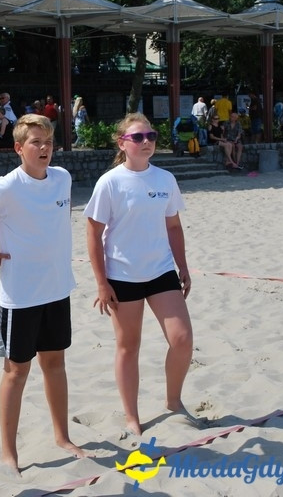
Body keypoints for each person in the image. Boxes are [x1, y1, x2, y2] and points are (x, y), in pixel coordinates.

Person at [0, 114, 85, 475]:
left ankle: (62, 436)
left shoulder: (63, 178)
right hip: (20, 296)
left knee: (55, 365)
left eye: (49, 142)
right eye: (35, 142)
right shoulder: (7, 186)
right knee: (15, 373)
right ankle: (9, 453)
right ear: (19, 147)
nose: (44, 148)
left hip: (57, 290)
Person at [84, 112, 194, 438]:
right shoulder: (110, 182)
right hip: (122, 275)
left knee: (182, 339)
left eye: (151, 136)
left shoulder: (165, 179)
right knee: (128, 346)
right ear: (123, 143)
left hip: (160, 271)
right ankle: (131, 415)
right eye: (138, 137)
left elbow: (173, 226)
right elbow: (92, 233)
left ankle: (173, 402)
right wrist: (101, 283)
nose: (146, 142)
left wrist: (183, 266)